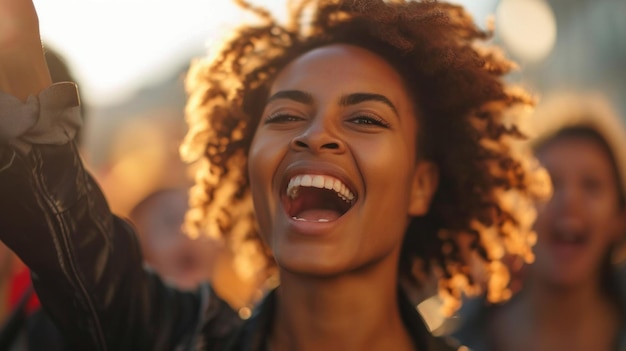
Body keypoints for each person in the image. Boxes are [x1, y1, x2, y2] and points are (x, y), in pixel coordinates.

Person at [0, 0, 548, 350]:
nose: (313, 135)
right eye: (285, 116)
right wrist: (26, 100)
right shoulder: (174, 337)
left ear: (422, 184)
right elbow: (78, 247)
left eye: (363, 118)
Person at [447, 91, 626, 351]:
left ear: (620, 219)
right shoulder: (451, 343)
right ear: (514, 214)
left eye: (592, 186)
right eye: (547, 182)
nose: (570, 201)